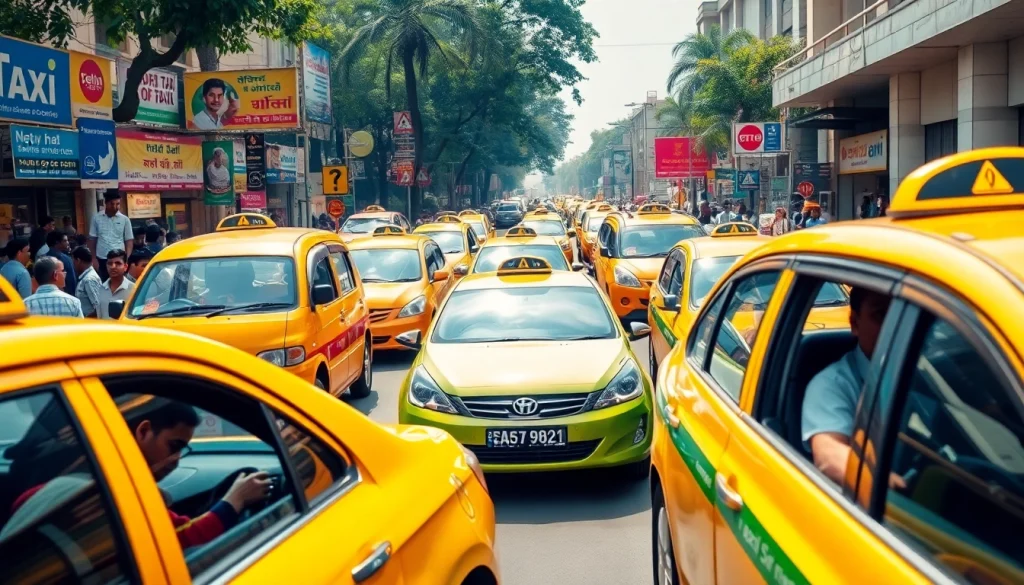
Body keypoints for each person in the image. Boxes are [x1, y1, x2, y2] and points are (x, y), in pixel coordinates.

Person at [8, 398, 271, 550]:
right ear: (143, 431)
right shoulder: (117, 493)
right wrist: (236, 499)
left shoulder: (69, 481)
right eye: (174, 446)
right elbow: (185, 538)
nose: (177, 458)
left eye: (183, 449)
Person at [802, 287, 903, 489]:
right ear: (855, 323)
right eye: (881, 315)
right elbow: (829, 454)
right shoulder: (831, 384)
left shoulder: (932, 372)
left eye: (900, 314)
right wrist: (891, 492)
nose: (896, 326)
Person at [89, 192, 134, 282]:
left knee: (119, 283)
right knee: (104, 284)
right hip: (102, 259)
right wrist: (93, 259)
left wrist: (126, 258)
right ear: (106, 203)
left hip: (119, 259)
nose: (115, 207)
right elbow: (92, 240)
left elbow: (129, 240)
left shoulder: (125, 219)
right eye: (112, 204)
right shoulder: (96, 218)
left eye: (117, 204)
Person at [97, 250, 134, 320]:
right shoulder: (101, 289)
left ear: (125, 267)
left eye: (118, 263)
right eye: (110, 263)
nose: (113, 267)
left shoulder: (134, 289)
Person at [44, 230, 77, 296]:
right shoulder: (65, 259)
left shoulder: (44, 259)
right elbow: (71, 281)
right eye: (65, 241)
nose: (68, 243)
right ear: (57, 243)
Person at [73, 246, 102, 318]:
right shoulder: (85, 278)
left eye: (74, 261)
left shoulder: (89, 279)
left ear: (78, 261)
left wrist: (84, 322)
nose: (73, 264)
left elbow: (98, 308)